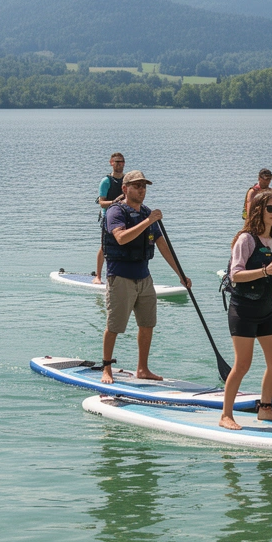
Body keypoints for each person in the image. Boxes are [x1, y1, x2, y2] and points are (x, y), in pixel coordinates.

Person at [100, 170, 191, 385]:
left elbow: (162, 246)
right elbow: (121, 238)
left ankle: (142, 368)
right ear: (125, 188)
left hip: (144, 277)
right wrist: (149, 221)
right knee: (114, 326)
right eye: (137, 186)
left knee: (147, 324)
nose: (141, 190)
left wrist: (181, 274)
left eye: (144, 186)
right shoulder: (116, 212)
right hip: (120, 277)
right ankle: (106, 368)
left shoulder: (146, 213)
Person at [220, 191, 272, 430]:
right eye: (270, 209)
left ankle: (265, 410)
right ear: (259, 211)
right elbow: (235, 275)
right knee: (242, 365)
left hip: (266, 310)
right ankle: (225, 415)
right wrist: (265, 272)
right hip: (243, 310)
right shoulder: (246, 239)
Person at [93, 152, 126, 284]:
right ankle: (98, 276)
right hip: (108, 217)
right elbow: (102, 202)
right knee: (104, 247)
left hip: (124, 217)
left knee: (124, 245)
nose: (120, 164)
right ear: (111, 163)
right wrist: (115, 202)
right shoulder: (106, 181)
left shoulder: (127, 180)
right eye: (117, 162)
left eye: (122, 162)